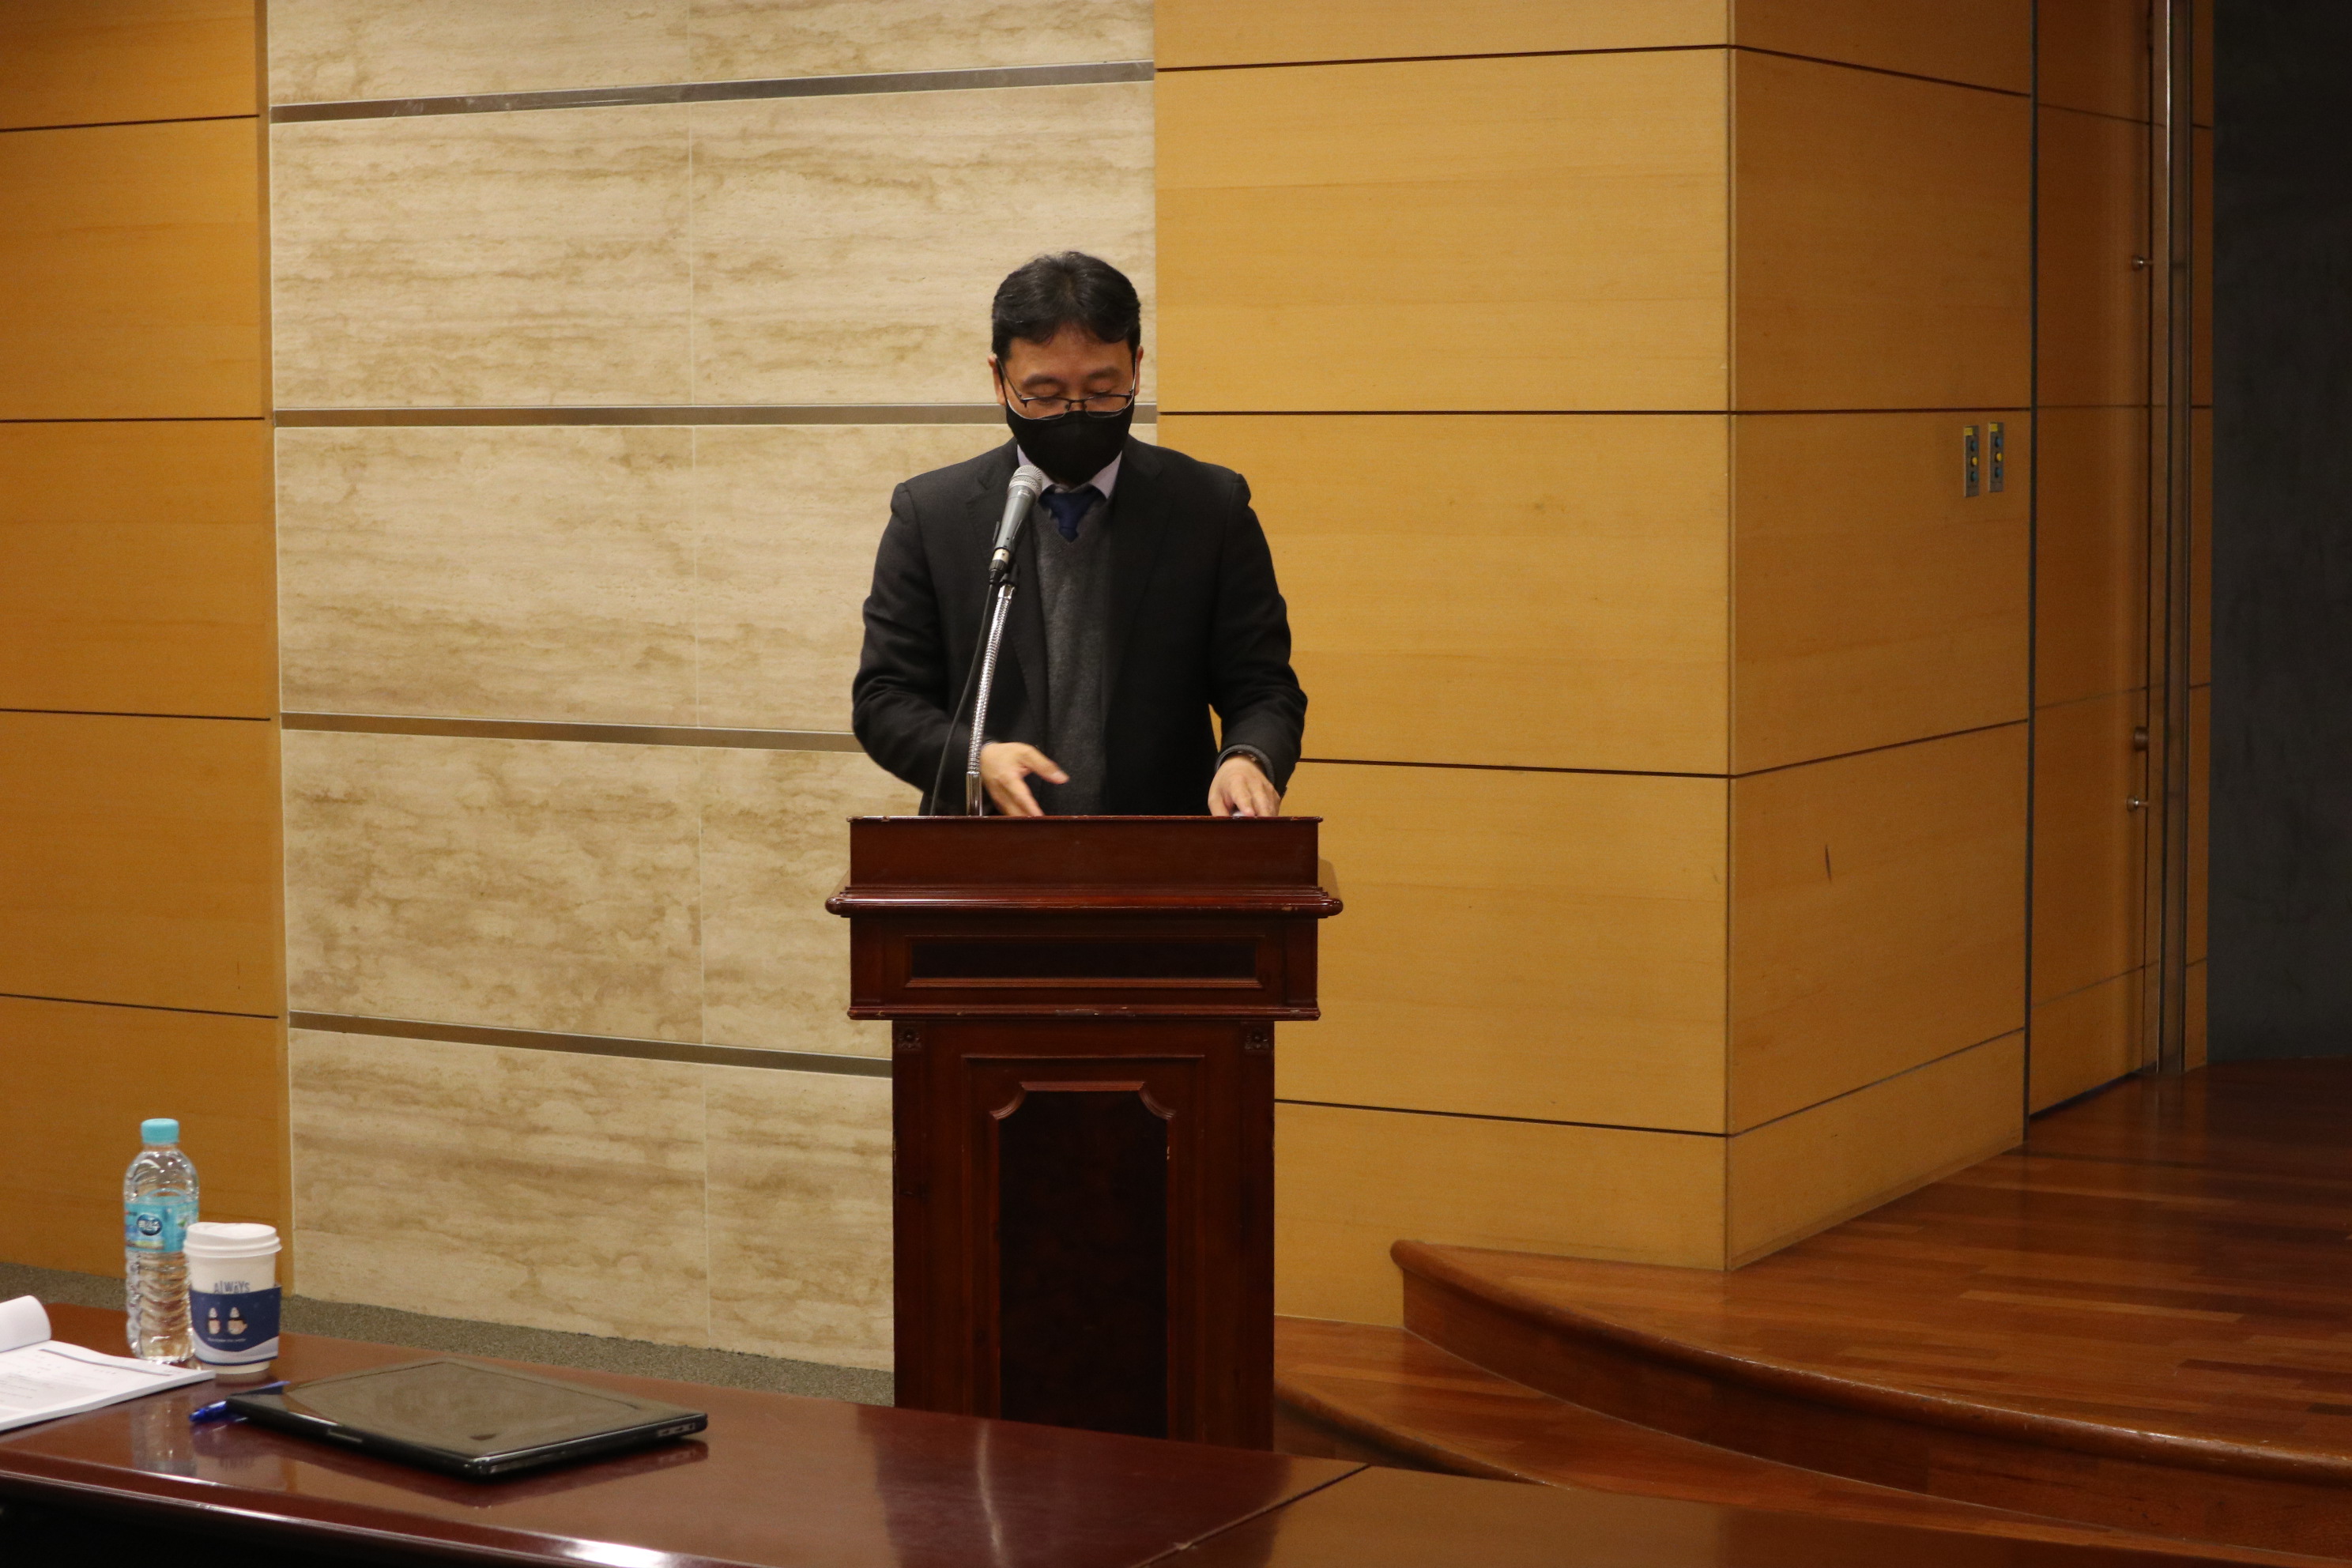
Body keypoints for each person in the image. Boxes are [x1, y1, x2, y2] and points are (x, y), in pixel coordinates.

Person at [852, 251, 1306, 817]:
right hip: (984, 852)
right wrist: (974, 757)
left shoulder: (1209, 507)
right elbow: (885, 699)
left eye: (1101, 390)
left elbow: (1263, 687)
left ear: (1136, 367)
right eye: (1044, 394)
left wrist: (1248, 759)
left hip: (1159, 848)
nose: (1076, 413)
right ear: (999, 379)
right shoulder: (931, 514)